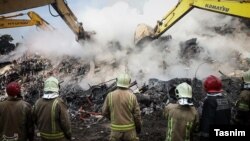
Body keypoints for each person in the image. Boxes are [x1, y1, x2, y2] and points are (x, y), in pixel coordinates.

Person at [102, 73, 142, 141]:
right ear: (128, 83)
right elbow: (137, 115)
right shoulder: (132, 96)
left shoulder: (110, 96)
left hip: (115, 132)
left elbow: (104, 112)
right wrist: (138, 128)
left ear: (117, 82)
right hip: (130, 132)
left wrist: (113, 119)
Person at [32, 76, 71, 141]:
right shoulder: (59, 103)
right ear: (57, 87)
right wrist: (69, 135)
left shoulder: (38, 102)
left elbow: (34, 118)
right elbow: (65, 122)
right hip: (58, 138)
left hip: (43, 136)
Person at [200, 75, 231, 141]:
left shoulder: (209, 101)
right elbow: (228, 118)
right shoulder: (226, 100)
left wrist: (203, 137)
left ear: (206, 87)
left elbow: (207, 121)